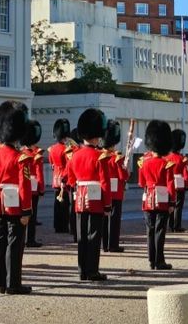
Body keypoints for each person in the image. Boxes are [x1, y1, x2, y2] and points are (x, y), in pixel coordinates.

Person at [0, 101, 33, 295]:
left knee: (0, 243)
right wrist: (26, 210)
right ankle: (13, 284)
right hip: (15, 205)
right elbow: (25, 186)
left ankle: (1, 283)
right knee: (15, 244)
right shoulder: (21, 158)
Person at [66, 108, 111, 281]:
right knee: (93, 236)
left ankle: (82, 270)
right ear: (96, 136)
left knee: (82, 236)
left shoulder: (74, 156)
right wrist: (107, 205)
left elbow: (70, 179)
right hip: (95, 200)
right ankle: (92, 271)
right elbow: (105, 182)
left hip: (80, 198)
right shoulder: (100, 157)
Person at [138, 120, 176, 270]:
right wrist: (172, 202)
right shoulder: (166, 164)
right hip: (161, 200)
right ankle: (159, 260)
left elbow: (141, 183)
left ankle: (151, 260)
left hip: (148, 199)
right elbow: (170, 185)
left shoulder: (143, 162)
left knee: (150, 230)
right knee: (160, 230)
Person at [101, 120, 128, 253]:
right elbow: (124, 176)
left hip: (103, 190)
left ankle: (104, 244)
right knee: (114, 220)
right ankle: (113, 245)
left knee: (104, 218)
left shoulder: (100, 156)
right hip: (116, 191)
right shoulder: (117, 158)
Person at [21, 120, 45, 248]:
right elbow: (39, 173)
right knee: (32, 214)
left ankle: (23, 238)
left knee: (23, 212)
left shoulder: (20, 153)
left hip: (22, 186)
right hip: (34, 187)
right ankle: (30, 239)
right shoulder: (36, 155)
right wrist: (41, 189)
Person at [48, 119, 71, 234]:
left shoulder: (51, 149)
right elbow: (68, 166)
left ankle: (57, 226)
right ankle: (63, 226)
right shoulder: (66, 149)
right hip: (64, 179)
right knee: (64, 205)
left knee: (57, 204)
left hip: (55, 178)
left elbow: (52, 164)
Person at [166, 129, 188, 233]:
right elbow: (186, 174)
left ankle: (171, 225)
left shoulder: (166, 157)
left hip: (169, 182)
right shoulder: (182, 159)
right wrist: (187, 185)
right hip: (179, 183)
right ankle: (177, 225)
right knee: (178, 206)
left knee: (170, 203)